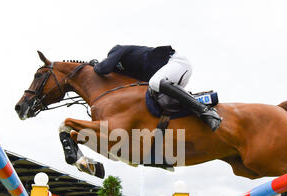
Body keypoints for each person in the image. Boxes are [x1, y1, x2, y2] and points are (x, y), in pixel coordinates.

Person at [93, 45, 222, 131]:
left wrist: (94, 65)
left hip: (176, 62)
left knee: (154, 82)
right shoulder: (128, 70)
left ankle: (206, 111)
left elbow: (103, 68)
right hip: (171, 73)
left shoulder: (118, 49)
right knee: (163, 104)